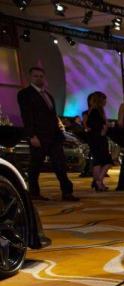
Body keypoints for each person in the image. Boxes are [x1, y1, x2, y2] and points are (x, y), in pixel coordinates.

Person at [16, 66, 79, 202]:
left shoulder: (48, 95)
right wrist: (32, 135)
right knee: (35, 165)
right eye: (36, 76)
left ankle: (67, 192)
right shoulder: (25, 94)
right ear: (30, 78)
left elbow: (52, 116)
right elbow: (27, 116)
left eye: (41, 76)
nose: (39, 78)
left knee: (60, 164)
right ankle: (33, 192)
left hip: (54, 136)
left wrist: (59, 133)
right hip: (38, 136)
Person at [85, 91, 113, 191]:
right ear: (101, 100)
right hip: (99, 139)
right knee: (107, 162)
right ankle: (98, 181)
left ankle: (98, 183)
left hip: (94, 139)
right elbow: (97, 126)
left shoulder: (91, 111)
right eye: (105, 99)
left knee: (98, 162)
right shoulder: (97, 111)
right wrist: (105, 129)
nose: (106, 102)